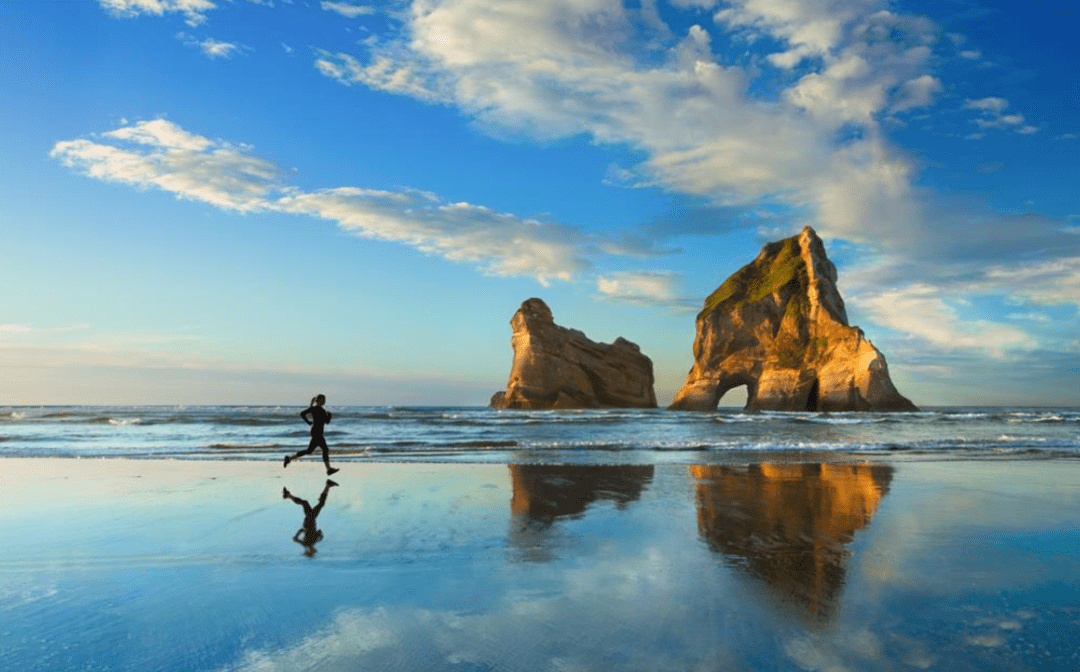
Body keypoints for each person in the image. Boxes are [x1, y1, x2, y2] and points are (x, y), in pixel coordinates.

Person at [284, 394, 339, 476]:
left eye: (324, 400)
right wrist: (308, 422)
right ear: (319, 400)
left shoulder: (321, 410)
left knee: (309, 451)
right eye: (323, 400)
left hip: (318, 432)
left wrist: (329, 417)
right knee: (325, 449)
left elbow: (326, 422)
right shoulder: (316, 409)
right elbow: (302, 413)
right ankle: (329, 469)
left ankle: (289, 459)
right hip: (316, 432)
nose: (324, 401)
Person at [282, 479, 337, 557]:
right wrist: (320, 535)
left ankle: (328, 485)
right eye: (313, 551)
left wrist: (300, 531)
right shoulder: (313, 542)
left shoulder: (306, 544)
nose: (313, 550)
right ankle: (288, 495)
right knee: (307, 503)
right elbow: (317, 533)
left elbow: (295, 539)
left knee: (317, 504)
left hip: (309, 521)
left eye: (311, 552)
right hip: (311, 521)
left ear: (309, 551)